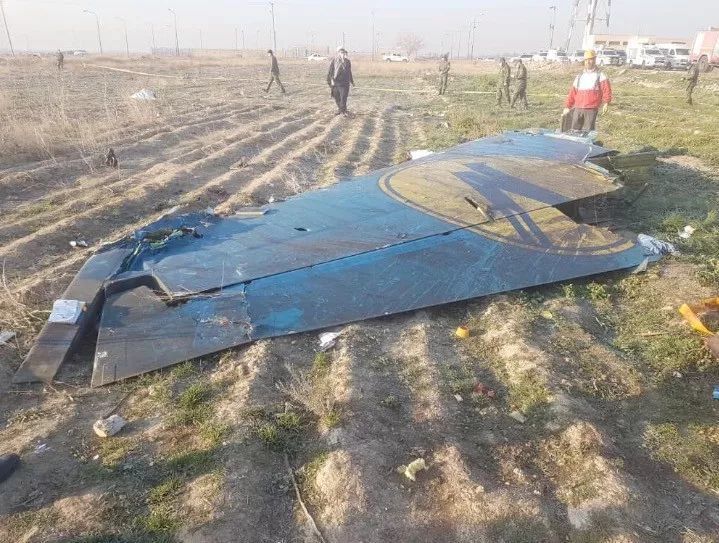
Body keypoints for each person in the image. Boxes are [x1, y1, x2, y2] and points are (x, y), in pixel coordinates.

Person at [563, 49, 612, 132]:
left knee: (587, 132)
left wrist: (606, 103)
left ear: (595, 59)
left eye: (590, 59)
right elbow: (573, 93)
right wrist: (567, 106)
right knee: (574, 131)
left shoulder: (601, 75)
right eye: (586, 60)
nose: (588, 62)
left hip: (591, 109)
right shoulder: (580, 76)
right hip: (578, 108)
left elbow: (606, 90)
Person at [327, 47, 354, 116]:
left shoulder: (347, 62)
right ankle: (341, 110)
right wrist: (332, 80)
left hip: (344, 83)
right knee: (337, 98)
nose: (343, 54)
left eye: (344, 53)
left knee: (343, 98)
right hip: (336, 82)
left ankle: (343, 111)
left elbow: (349, 72)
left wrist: (352, 81)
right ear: (339, 53)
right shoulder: (334, 61)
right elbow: (331, 71)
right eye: (341, 53)